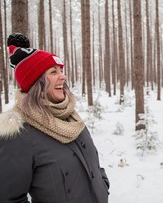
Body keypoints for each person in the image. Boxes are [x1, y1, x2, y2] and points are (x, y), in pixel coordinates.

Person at [0, 33, 109, 203]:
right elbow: (9, 198)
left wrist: (103, 185)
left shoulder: (71, 117)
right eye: (53, 72)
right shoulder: (19, 134)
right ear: (36, 82)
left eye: (61, 70)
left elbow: (94, 162)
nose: (63, 76)